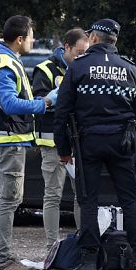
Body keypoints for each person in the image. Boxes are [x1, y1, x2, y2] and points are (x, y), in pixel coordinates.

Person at [53, 18, 136, 270]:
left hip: (88, 142)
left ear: (94, 39)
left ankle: (88, 264)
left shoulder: (78, 68)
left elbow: (61, 112)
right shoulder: (130, 69)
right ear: (114, 41)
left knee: (88, 200)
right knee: (130, 200)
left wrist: (63, 150)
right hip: (121, 142)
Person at [0, 15, 53, 270]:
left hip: (0, 139)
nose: (33, 40)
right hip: (8, 140)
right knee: (9, 199)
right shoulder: (6, 65)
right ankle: (4, 259)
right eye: (31, 36)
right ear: (20, 39)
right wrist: (44, 104)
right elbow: (10, 104)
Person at [32, 28, 89, 251]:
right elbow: (37, 103)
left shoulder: (83, 67)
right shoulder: (45, 69)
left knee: (81, 195)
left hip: (77, 142)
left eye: (85, 52)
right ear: (66, 47)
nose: (81, 56)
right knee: (53, 195)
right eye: (78, 52)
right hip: (52, 143)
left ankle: (84, 243)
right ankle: (52, 246)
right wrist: (56, 98)